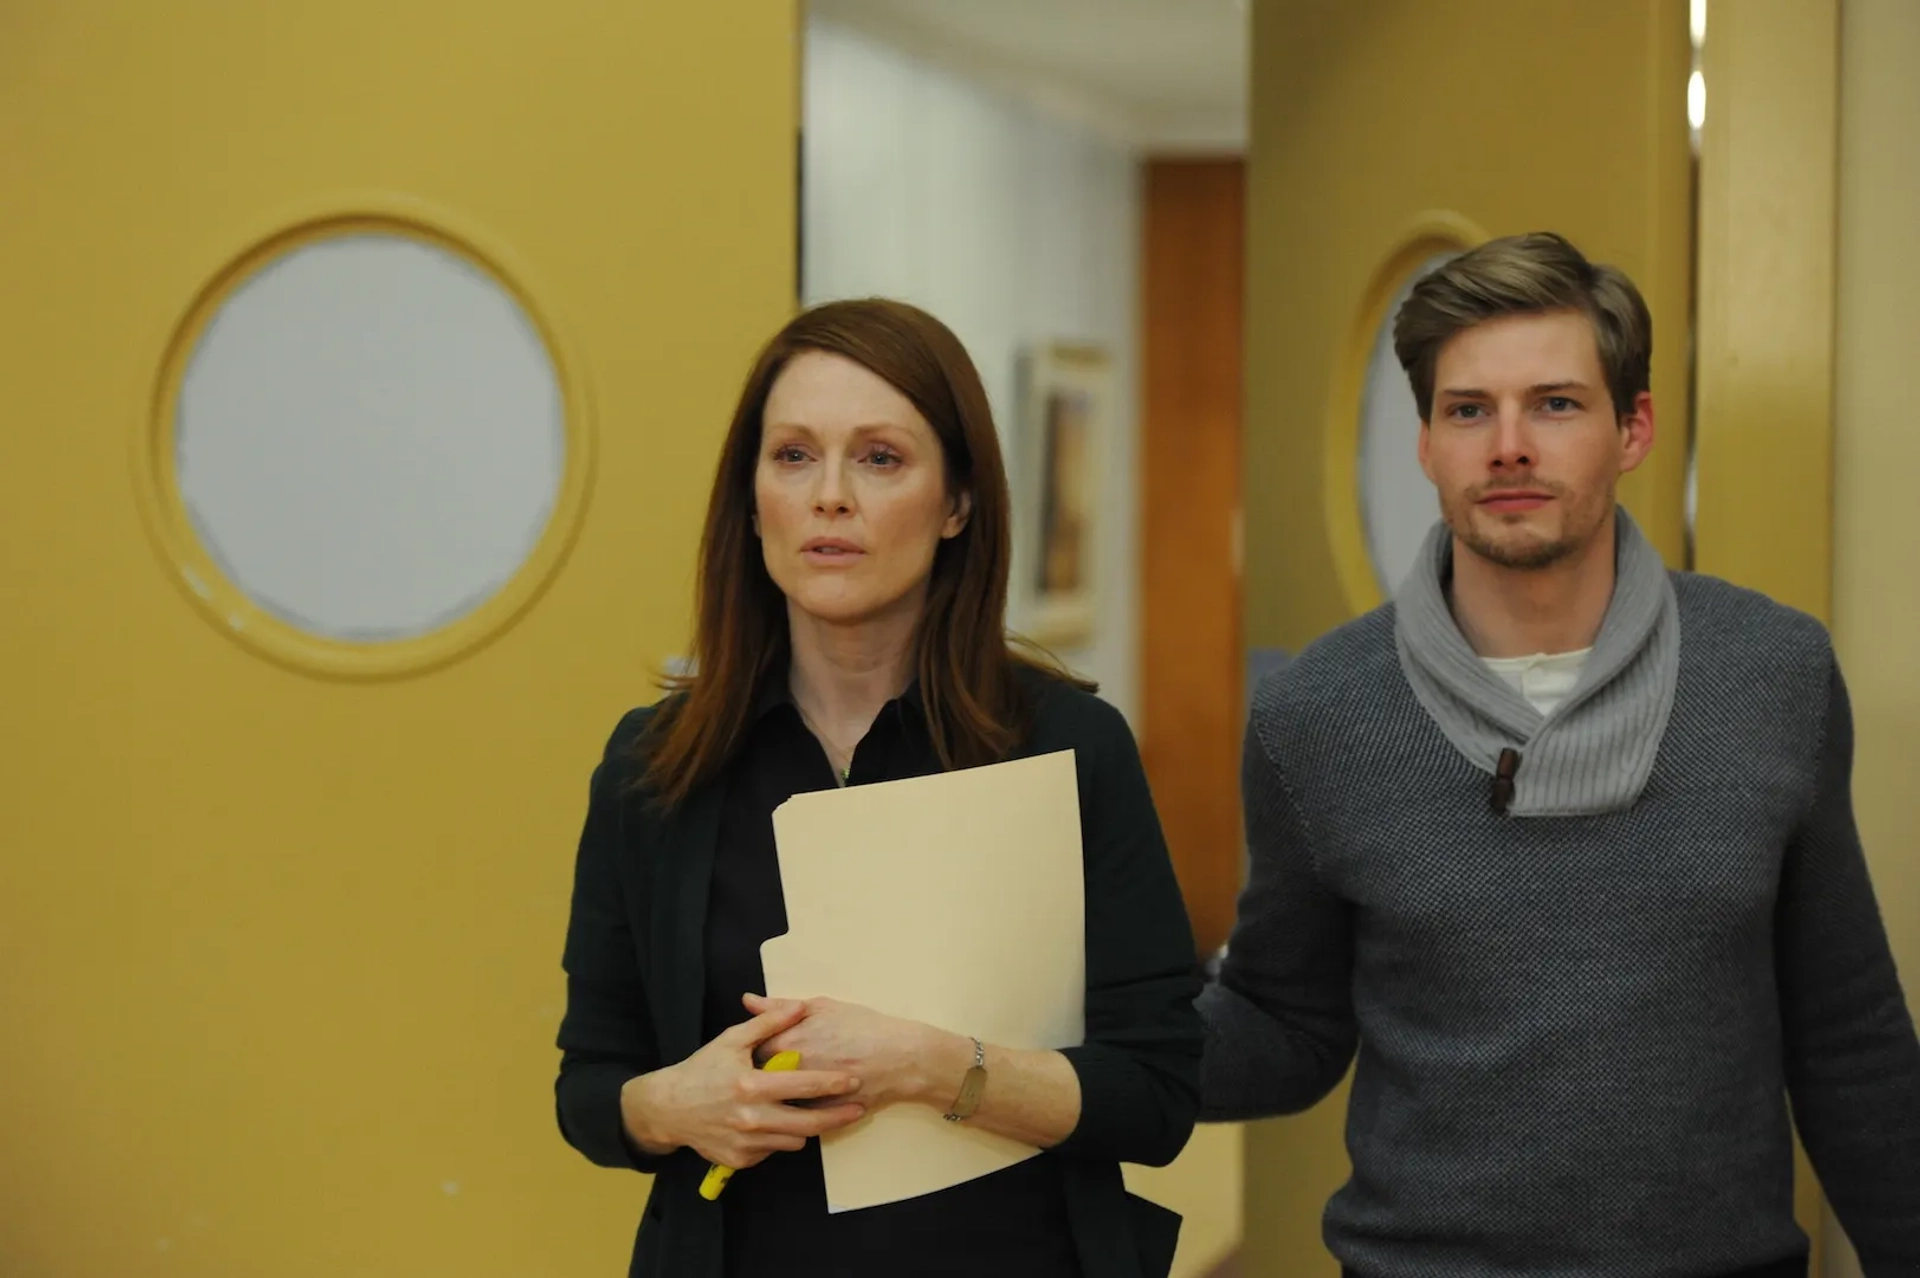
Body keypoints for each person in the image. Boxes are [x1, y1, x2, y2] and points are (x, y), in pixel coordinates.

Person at [1199, 232, 1920, 1277]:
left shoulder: (1774, 673)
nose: (1508, 447)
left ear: (1634, 430)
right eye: (1468, 410)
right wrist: (1034, 1051)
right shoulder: (1318, 712)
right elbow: (1283, 1024)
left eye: (1556, 404)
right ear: (1426, 444)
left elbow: (1849, 1039)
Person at [554, 298, 1202, 1278]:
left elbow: (1155, 1098)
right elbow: (590, 1088)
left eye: (881, 458)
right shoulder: (653, 764)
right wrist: (673, 1105)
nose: (830, 496)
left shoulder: (1069, 747)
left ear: (957, 504)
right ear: (752, 496)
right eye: (794, 456)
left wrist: (933, 1069)